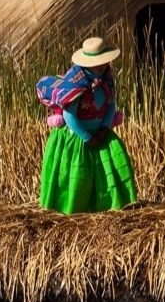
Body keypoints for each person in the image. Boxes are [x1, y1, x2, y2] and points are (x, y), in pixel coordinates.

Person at [38, 38, 137, 214]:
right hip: (78, 137)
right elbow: (69, 115)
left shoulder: (106, 79)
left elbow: (111, 104)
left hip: (101, 132)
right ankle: (73, 209)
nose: (103, 65)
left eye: (104, 61)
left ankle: (109, 206)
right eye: (97, 63)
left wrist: (104, 129)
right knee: (78, 176)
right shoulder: (76, 83)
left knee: (108, 172)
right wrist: (87, 137)